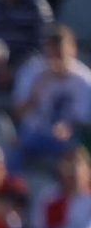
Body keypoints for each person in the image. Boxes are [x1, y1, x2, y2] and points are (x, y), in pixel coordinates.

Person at [11, 27, 91, 170]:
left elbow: (84, 121)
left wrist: (69, 127)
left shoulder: (84, 79)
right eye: (51, 54)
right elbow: (18, 113)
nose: (56, 60)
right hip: (34, 134)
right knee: (13, 150)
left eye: (60, 54)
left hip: (70, 138)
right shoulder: (32, 71)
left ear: (73, 50)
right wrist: (40, 86)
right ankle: (13, 190)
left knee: (77, 154)